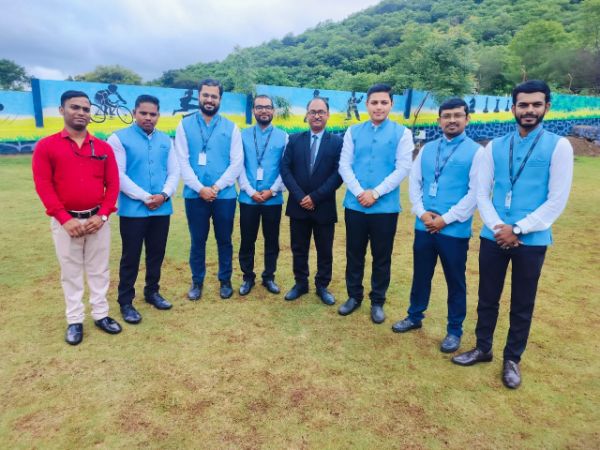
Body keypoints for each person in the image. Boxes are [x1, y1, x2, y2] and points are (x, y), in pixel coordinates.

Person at [452, 80, 574, 389]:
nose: (529, 110)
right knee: (487, 297)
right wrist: (498, 227)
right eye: (523, 105)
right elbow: (482, 193)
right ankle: (482, 348)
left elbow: (556, 200)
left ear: (546, 107)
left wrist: (518, 229)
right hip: (494, 236)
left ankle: (512, 359)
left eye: (536, 104)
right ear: (513, 108)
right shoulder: (494, 147)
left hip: (531, 240)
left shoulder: (559, 146)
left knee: (522, 302)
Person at [391, 98, 483, 353]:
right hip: (424, 226)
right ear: (439, 120)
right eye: (447, 116)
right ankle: (414, 316)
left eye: (457, 115)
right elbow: (414, 183)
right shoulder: (427, 149)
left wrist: (446, 219)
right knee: (421, 275)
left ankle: (454, 330)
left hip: (454, 230)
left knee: (455, 281)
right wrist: (422, 213)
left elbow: (475, 193)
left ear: (467, 119)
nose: (452, 120)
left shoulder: (477, 152)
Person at [32, 90, 122, 345]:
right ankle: (75, 320)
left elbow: (113, 185)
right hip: (66, 223)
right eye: (75, 107)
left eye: (85, 109)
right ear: (62, 110)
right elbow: (43, 185)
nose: (81, 113)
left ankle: (101, 314)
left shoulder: (102, 147)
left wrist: (102, 216)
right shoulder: (47, 146)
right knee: (70, 272)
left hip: (97, 221)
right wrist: (64, 218)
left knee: (99, 270)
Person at [338, 83, 413, 324]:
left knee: (382, 256)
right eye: (374, 102)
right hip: (355, 204)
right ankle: (354, 296)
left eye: (383, 102)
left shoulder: (402, 133)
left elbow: (403, 168)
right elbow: (344, 165)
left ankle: (377, 301)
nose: (378, 107)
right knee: (354, 253)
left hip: (385, 208)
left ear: (391, 104)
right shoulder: (353, 131)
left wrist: (376, 193)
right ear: (367, 105)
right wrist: (360, 192)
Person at [107, 95, 180, 324]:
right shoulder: (118, 139)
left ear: (158, 115)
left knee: (156, 253)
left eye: (153, 114)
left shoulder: (166, 140)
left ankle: (152, 292)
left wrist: (164, 195)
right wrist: (145, 197)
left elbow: (174, 172)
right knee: (131, 256)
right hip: (133, 210)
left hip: (161, 209)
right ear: (134, 113)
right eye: (143, 113)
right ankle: (126, 301)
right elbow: (118, 175)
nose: (148, 117)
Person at [174, 78, 243, 300]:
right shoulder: (184, 125)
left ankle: (225, 280)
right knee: (198, 241)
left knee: (225, 240)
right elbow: (182, 161)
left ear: (220, 99)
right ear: (199, 96)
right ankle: (197, 281)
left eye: (214, 96)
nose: (210, 100)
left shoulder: (231, 128)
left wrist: (215, 187)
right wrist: (200, 188)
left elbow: (236, 163)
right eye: (206, 95)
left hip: (225, 196)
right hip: (195, 196)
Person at [280, 97, 343, 305]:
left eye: (321, 112)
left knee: (325, 249)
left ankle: (322, 285)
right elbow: (285, 169)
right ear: (307, 115)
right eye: (313, 112)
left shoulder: (337, 142)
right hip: (298, 206)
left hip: (323, 206)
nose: (317, 115)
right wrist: (300, 196)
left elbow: (338, 174)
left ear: (328, 115)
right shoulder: (294, 140)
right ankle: (300, 283)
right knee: (298, 248)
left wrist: (315, 197)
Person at [237, 95, 287, 296]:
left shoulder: (283, 136)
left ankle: (269, 277)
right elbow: (238, 166)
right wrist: (250, 191)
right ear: (253, 111)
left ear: (273, 111)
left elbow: (285, 168)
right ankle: (247, 277)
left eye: (267, 107)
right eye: (259, 107)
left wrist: (272, 191)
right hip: (248, 198)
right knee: (247, 239)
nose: (264, 110)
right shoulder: (242, 135)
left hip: (272, 199)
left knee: (272, 240)